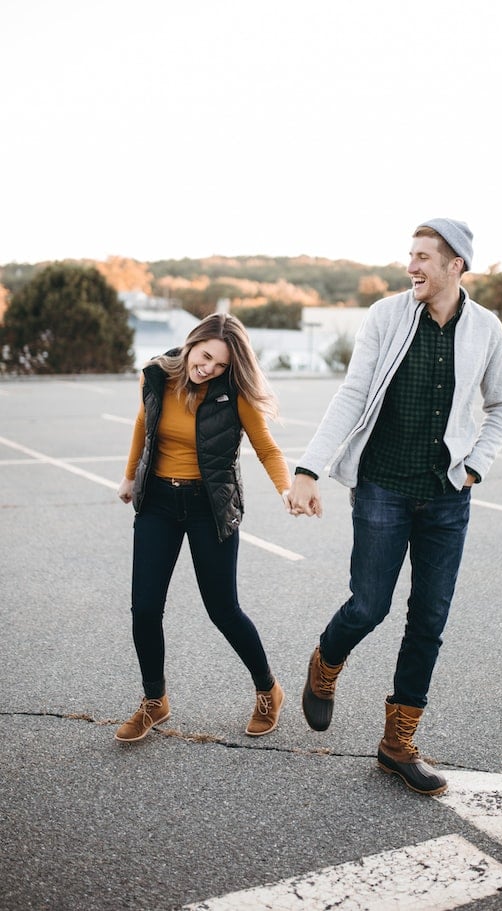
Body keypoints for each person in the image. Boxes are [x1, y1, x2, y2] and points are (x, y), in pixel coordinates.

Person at [286, 218, 502, 796]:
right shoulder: (386, 316)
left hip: (446, 496)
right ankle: (326, 662)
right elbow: (353, 394)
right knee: (369, 606)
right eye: (410, 255)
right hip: (383, 486)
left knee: (429, 621)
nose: (411, 266)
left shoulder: (486, 328)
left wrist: (474, 466)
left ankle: (397, 743)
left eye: (423, 257)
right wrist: (309, 469)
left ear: (455, 265)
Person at [115, 312, 290, 743]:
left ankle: (268, 690)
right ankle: (154, 701)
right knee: (144, 608)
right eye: (206, 356)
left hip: (208, 506)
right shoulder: (155, 375)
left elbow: (267, 449)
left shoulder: (233, 392)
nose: (208, 367)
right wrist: (129, 475)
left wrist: (287, 489)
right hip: (157, 500)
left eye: (220, 364)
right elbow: (143, 423)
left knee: (222, 609)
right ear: (192, 343)